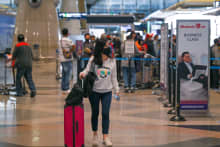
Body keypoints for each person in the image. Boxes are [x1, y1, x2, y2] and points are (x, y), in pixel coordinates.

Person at [79, 40, 119, 147]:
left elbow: (114, 77)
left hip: (107, 92)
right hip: (94, 91)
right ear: (100, 51)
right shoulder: (93, 59)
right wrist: (82, 73)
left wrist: (117, 89)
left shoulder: (112, 61)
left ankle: (105, 137)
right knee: (95, 113)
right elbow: (86, 70)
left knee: (105, 113)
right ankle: (95, 135)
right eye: (104, 54)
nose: (106, 56)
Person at [59, 28, 75, 94]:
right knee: (68, 74)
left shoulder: (60, 40)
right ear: (67, 33)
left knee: (64, 74)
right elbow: (74, 46)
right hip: (67, 59)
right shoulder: (68, 40)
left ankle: (63, 87)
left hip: (62, 59)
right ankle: (66, 88)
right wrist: (70, 52)